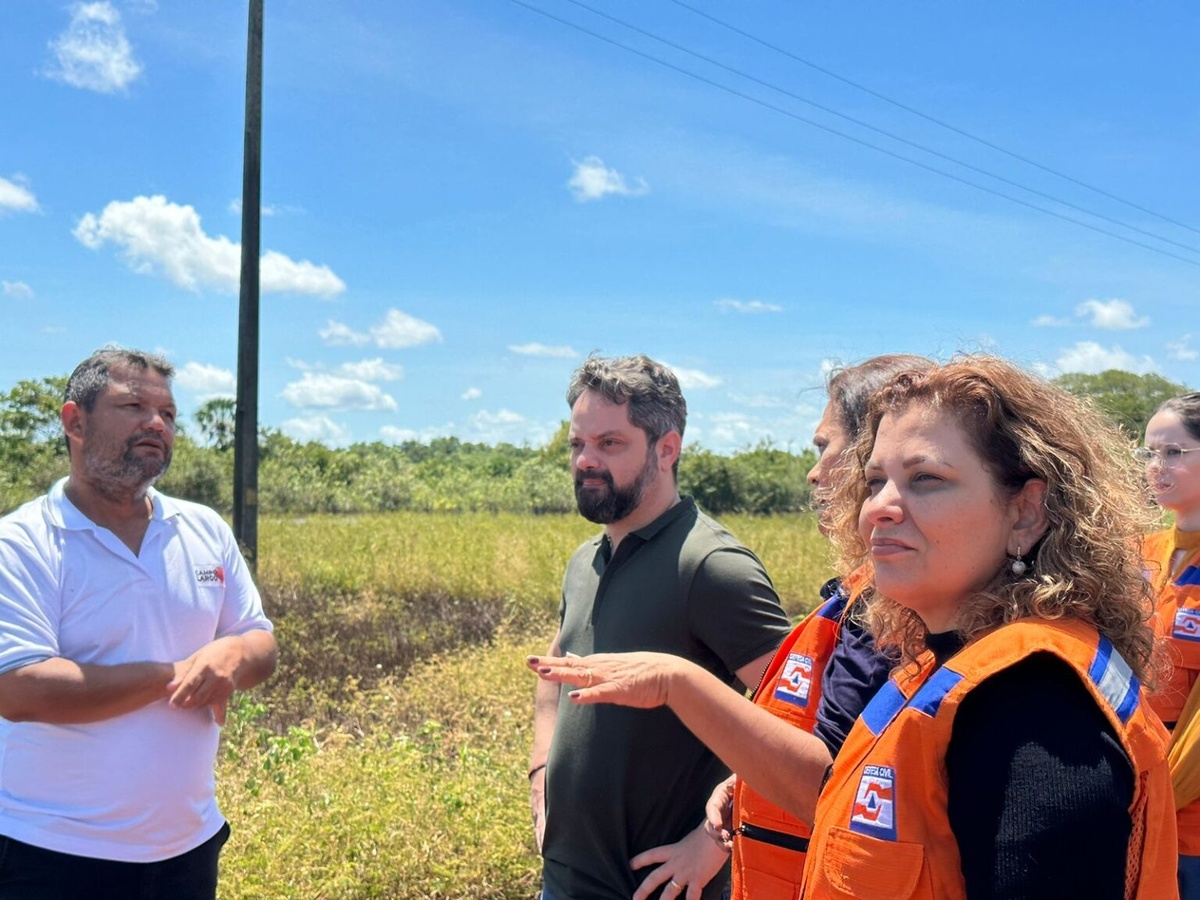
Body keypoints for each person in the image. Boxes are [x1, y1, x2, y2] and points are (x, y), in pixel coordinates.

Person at [531, 355, 1178, 900]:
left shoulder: (1036, 714)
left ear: (1026, 511)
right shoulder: (942, 671)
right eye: (874, 481)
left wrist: (680, 684)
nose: (879, 509)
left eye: (926, 480)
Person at [0, 347, 278, 900]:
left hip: (187, 849)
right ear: (74, 421)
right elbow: (21, 688)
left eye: (169, 414)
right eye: (134, 406)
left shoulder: (203, 529)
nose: (157, 423)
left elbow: (259, 640)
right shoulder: (22, 543)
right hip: (51, 855)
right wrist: (177, 673)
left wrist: (233, 656)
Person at [528, 354, 792, 900]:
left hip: (660, 887)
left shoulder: (711, 565)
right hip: (567, 878)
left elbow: (802, 720)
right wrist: (540, 772)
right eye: (577, 445)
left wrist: (718, 836)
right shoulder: (586, 559)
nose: (585, 461)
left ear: (666, 449)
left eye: (610, 444)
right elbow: (555, 668)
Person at [705, 355, 930, 900]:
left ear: (866, 454)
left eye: (822, 447)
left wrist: (678, 688)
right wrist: (748, 777)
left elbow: (832, 777)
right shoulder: (860, 588)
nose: (813, 471)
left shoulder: (896, 608)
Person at [1141, 392, 1200, 898]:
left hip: (1189, 820)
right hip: (1135, 787)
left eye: (1174, 453)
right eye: (1149, 453)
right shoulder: (1142, 553)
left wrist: (1159, 793)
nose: (1156, 466)